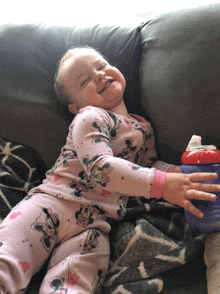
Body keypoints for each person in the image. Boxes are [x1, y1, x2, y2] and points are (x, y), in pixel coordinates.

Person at [0, 47, 219, 294]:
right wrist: (164, 185)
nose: (99, 76)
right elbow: (100, 168)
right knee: (7, 260)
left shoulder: (143, 127)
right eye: (84, 81)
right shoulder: (90, 116)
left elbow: (147, 166)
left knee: (75, 282)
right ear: (75, 107)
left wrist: (182, 175)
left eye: (102, 66)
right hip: (49, 205)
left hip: (94, 225)